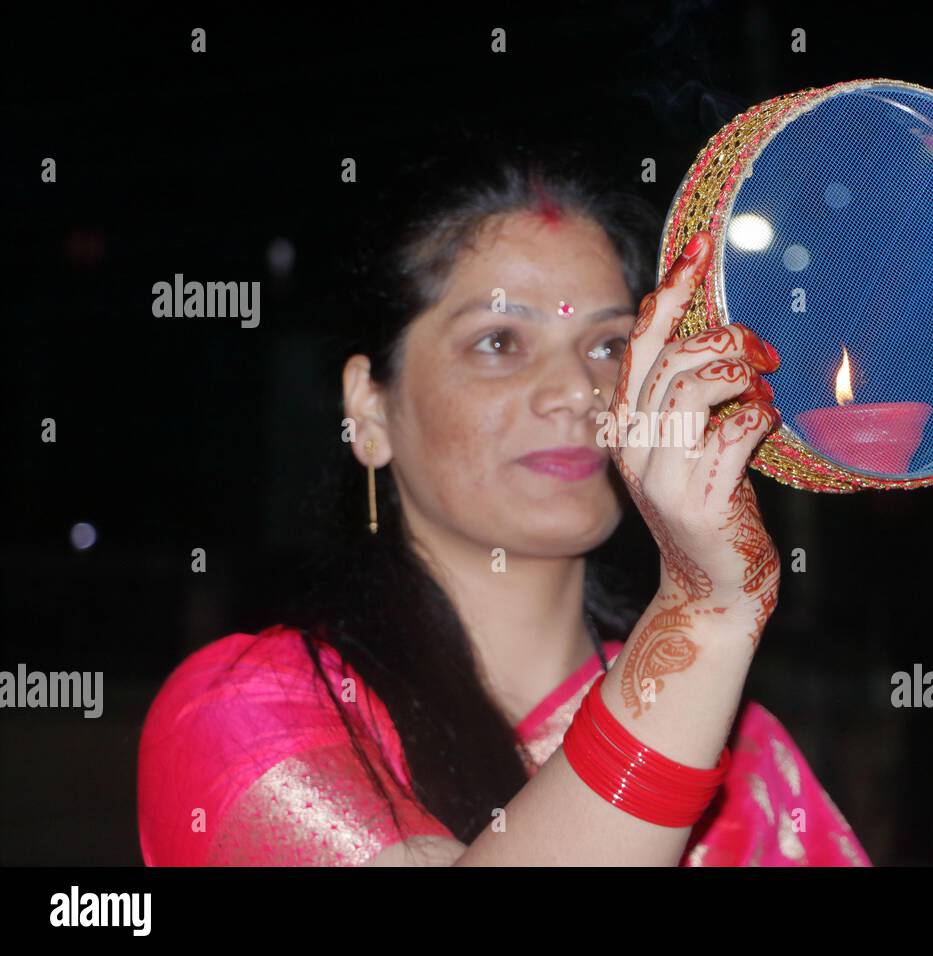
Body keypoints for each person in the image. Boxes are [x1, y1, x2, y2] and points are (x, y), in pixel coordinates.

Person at [136, 149, 871, 867]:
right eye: (499, 341)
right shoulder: (246, 710)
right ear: (369, 408)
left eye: (611, 344)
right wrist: (701, 617)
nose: (575, 390)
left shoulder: (742, 750)